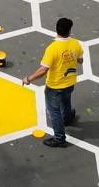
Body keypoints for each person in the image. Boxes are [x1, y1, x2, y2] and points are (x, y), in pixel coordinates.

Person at [22, 17, 83, 148]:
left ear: (56, 30)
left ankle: (59, 138)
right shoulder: (75, 44)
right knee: (66, 101)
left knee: (54, 111)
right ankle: (67, 118)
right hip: (70, 82)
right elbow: (81, 60)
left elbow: (43, 70)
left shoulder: (52, 48)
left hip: (55, 85)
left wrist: (28, 79)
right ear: (69, 30)